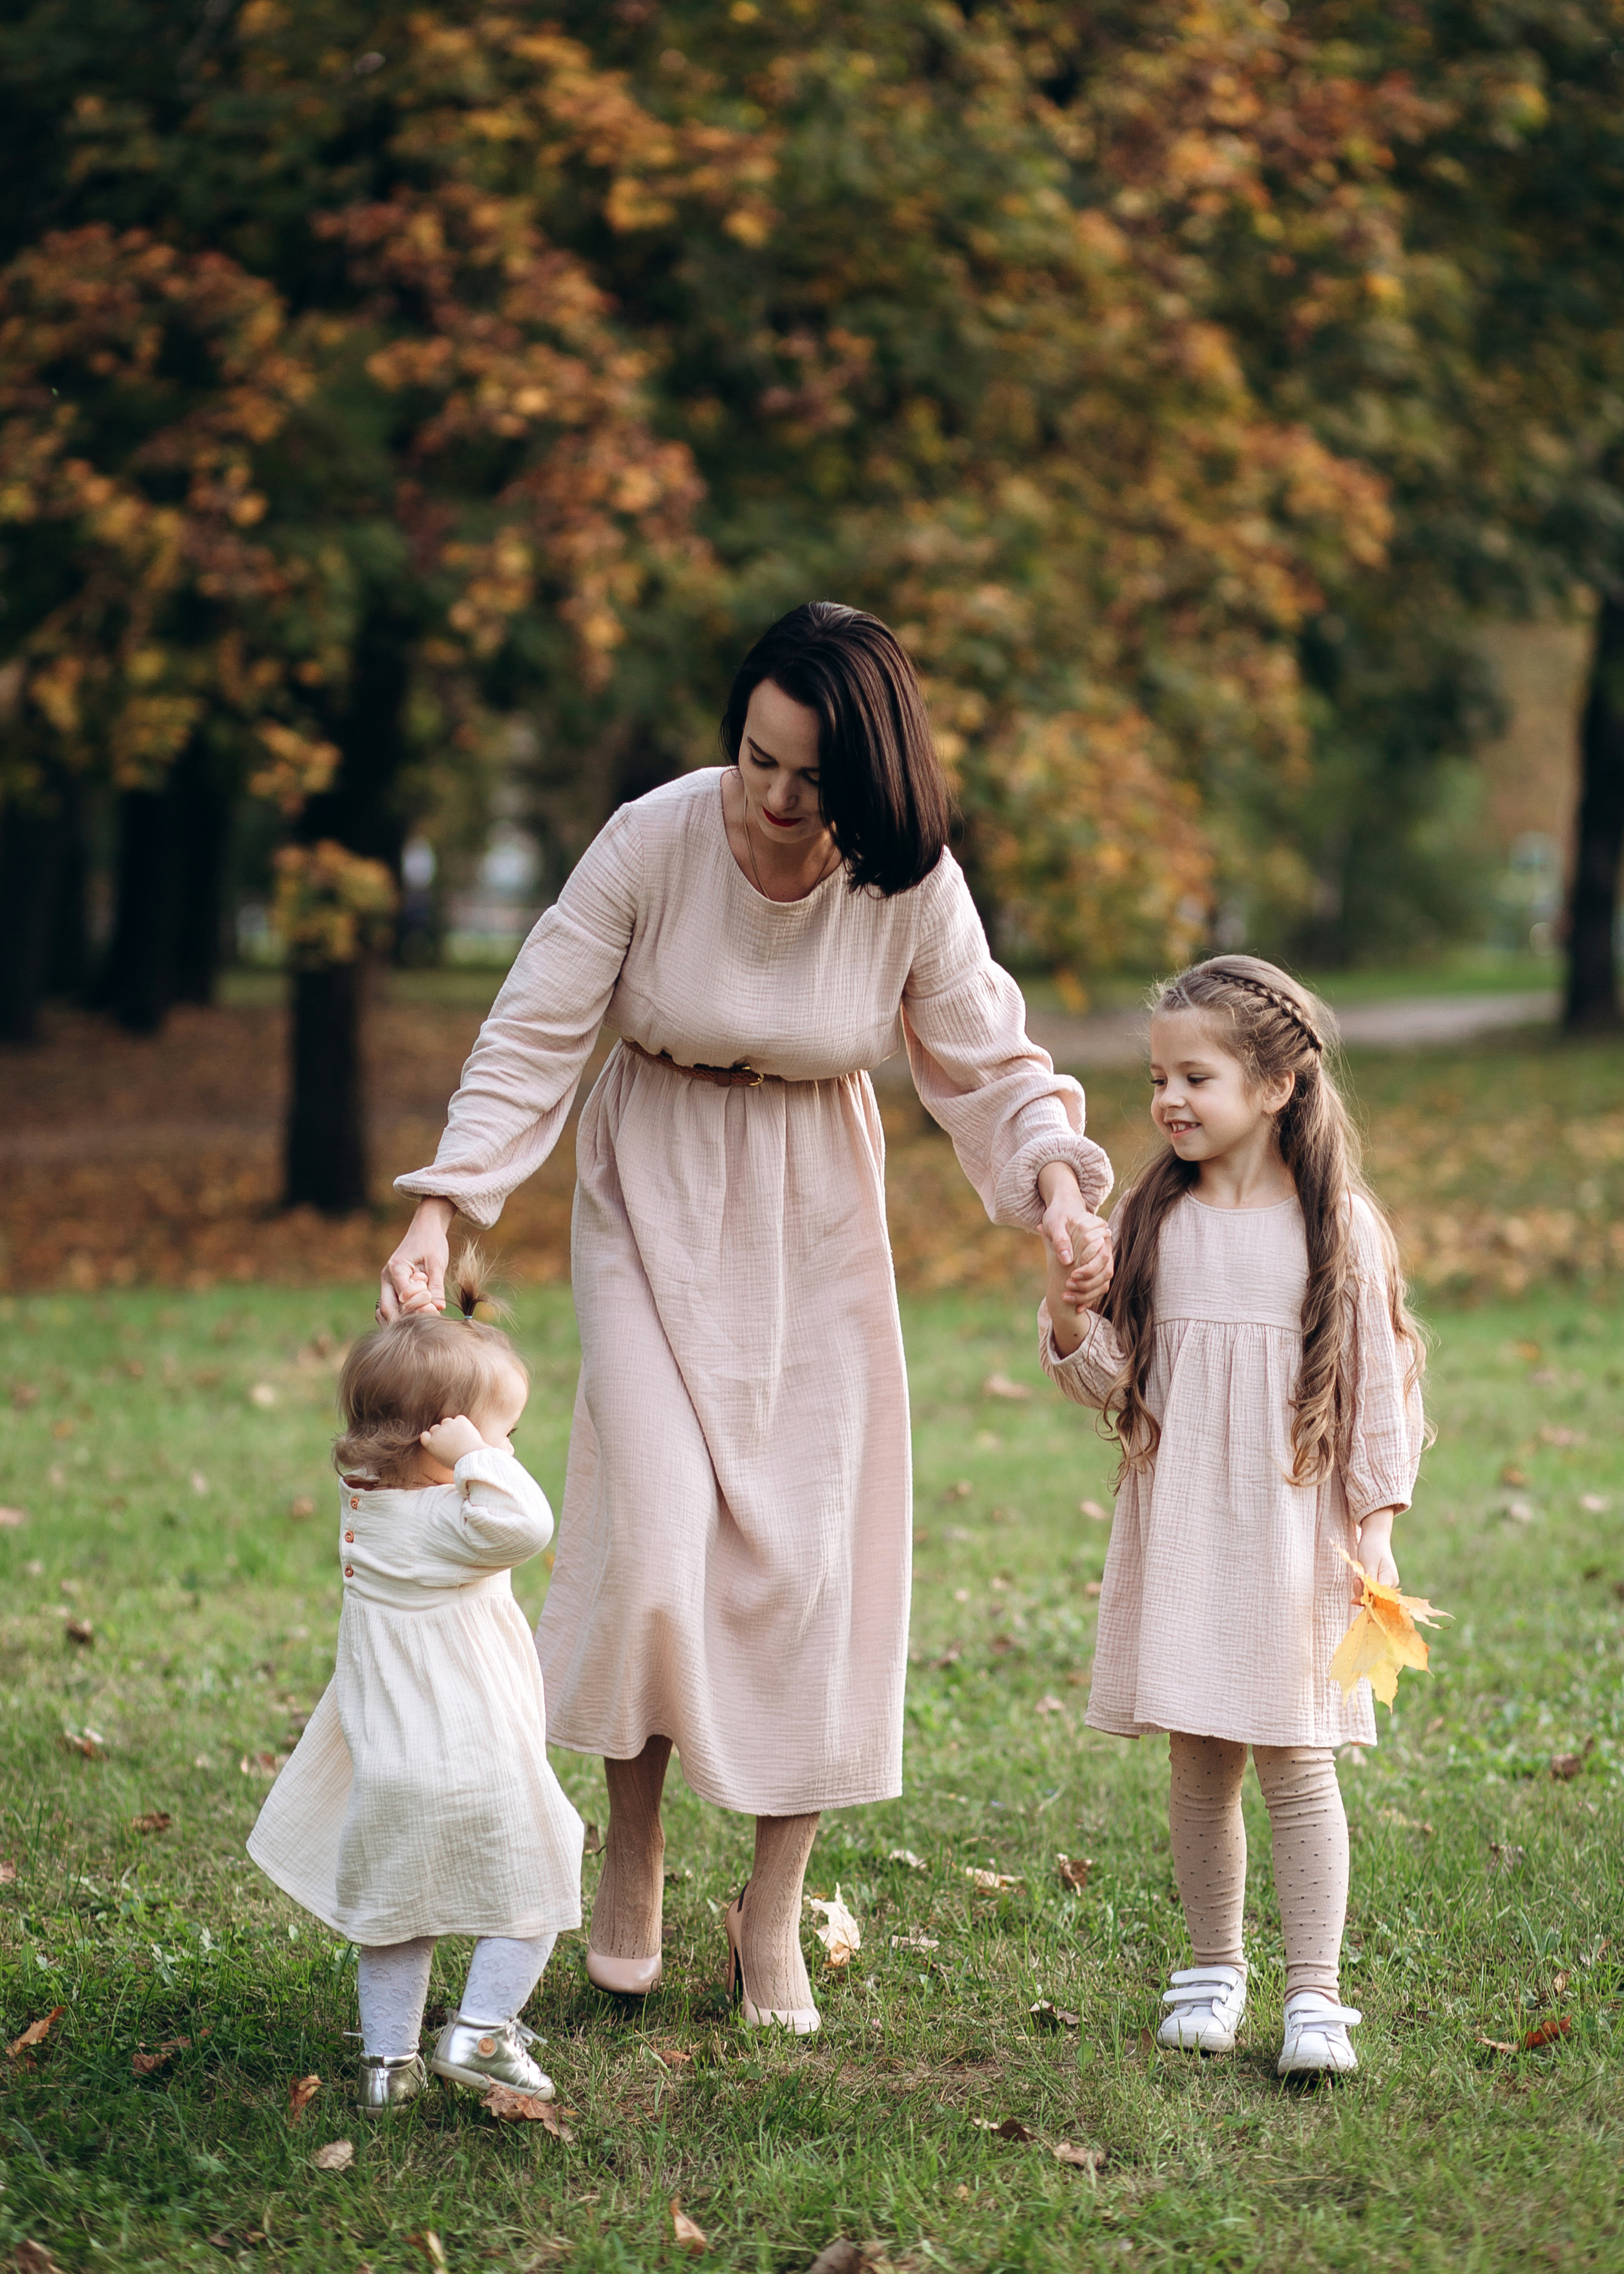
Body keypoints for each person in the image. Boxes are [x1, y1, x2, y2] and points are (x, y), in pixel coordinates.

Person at [380, 601, 1113, 2032]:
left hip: (815, 1207)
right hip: (651, 1188)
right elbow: (536, 1026)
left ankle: (768, 1913)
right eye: (755, 759)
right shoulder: (653, 840)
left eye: (809, 780)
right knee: (651, 1529)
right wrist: (443, 1204)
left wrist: (1057, 1188)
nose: (774, 800)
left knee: (808, 1559)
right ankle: (635, 1851)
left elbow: (987, 1056)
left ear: (871, 784)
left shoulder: (909, 883)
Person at [1038, 955, 1427, 2076]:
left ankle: (1315, 1996)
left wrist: (1378, 1527)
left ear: (1276, 1086)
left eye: (1194, 1077)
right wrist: (1067, 1319)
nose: (1167, 1100)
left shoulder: (1337, 1227)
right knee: (1201, 1763)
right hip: (1189, 1532)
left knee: (1298, 1760)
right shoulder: (1155, 1222)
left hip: (1299, 1537)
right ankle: (1213, 1969)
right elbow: (1109, 1381)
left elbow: (1377, 1386)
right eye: (1158, 1077)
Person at [247, 1257, 585, 2114]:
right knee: (540, 1875)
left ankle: (387, 2068)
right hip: (469, 1751)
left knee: (398, 1917)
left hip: (389, 1761)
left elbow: (387, 1416)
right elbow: (528, 1522)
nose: (504, 1451)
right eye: (496, 1435)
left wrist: (415, 1344)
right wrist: (479, 1457)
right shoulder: (456, 1522)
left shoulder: (363, 1501)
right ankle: (481, 2034)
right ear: (441, 1441)